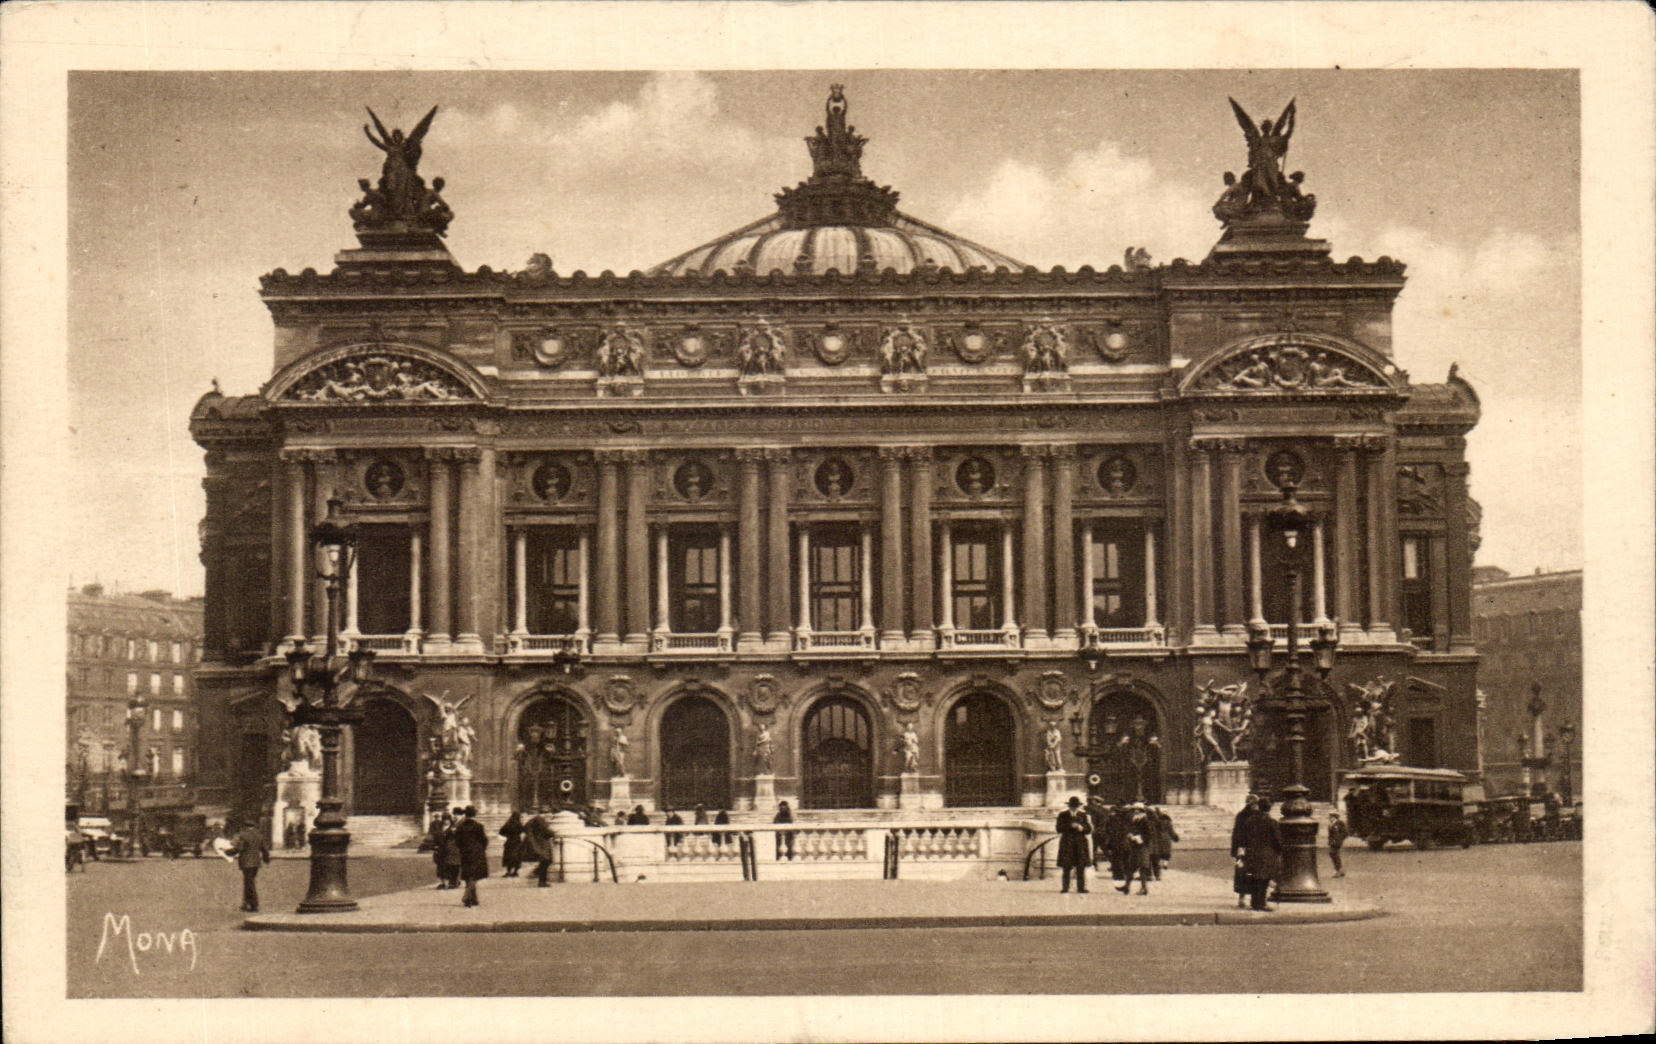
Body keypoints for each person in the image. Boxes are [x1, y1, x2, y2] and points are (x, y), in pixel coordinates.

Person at [1237, 797, 1284, 911]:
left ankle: (1254, 903)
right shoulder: (1272, 822)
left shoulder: (1250, 821)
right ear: (1269, 808)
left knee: (1254, 878)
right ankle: (1262, 903)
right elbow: (1277, 840)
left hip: (1252, 853)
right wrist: (1279, 851)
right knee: (1264, 879)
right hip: (1267, 854)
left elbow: (1243, 838)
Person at [228, 817, 271, 913]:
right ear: (253, 826)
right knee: (249, 882)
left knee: (249, 883)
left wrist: (228, 852)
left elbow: (239, 848)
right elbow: (264, 849)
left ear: (245, 826)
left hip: (246, 863)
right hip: (256, 863)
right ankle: (246, 903)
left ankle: (254, 904)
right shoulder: (259, 835)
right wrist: (266, 859)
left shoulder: (243, 835)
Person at [453, 806, 489, 908]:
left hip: (465, 853)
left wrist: (462, 848)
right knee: (474, 875)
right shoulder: (479, 826)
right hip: (477, 853)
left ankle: (474, 898)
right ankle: (467, 896)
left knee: (468, 875)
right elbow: (484, 840)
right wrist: (481, 849)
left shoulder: (460, 826)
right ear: (474, 814)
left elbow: (457, 841)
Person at [1229, 792, 1260, 909]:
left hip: (1242, 849)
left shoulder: (1241, 816)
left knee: (1242, 873)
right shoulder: (1256, 816)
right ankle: (1253, 897)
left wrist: (1234, 850)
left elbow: (1235, 834)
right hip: (1253, 849)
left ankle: (1242, 898)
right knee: (1254, 872)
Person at [1055, 796, 1092, 893]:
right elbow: (1058, 828)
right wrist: (1070, 826)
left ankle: (1081, 887)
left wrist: (1081, 827)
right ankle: (1065, 887)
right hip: (1067, 843)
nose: (1074, 808)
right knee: (1066, 866)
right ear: (1069, 806)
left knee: (1081, 866)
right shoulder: (1063, 815)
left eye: (1075, 806)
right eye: (1072, 806)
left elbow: (1088, 830)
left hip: (1080, 844)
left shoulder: (1083, 815)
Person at [1117, 803, 1154, 896]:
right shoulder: (1136, 820)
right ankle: (1127, 886)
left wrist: (1138, 838)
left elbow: (1150, 835)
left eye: (1136, 810)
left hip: (1143, 846)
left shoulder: (1146, 820)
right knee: (1131, 867)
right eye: (1134, 810)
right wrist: (1130, 835)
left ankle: (1144, 888)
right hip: (1136, 846)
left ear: (1141, 811)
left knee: (1142, 867)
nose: (1135, 811)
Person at [525, 810, 555, 887]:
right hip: (542, 843)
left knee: (544, 862)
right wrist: (553, 833)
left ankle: (541, 879)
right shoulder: (540, 820)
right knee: (546, 861)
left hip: (540, 843)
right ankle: (541, 880)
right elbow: (547, 831)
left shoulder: (536, 819)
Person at [1152, 806, 1179, 880]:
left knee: (1158, 853)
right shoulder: (1168, 821)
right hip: (1166, 838)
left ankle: (1158, 870)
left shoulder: (1156, 821)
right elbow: (1171, 831)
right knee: (1166, 853)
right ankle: (1165, 864)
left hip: (1158, 838)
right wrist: (1175, 837)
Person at [440, 808, 464, 890]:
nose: (454, 816)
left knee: (455, 865)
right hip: (451, 848)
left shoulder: (460, 823)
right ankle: (453, 881)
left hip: (456, 847)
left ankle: (454, 882)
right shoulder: (454, 823)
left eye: (455, 814)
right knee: (451, 865)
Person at [428, 812, 451, 888]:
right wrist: (434, 846)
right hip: (440, 850)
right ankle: (443, 882)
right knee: (440, 867)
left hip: (449, 850)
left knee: (448, 866)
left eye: (447, 819)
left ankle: (450, 882)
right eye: (444, 819)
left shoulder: (452, 828)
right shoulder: (439, 828)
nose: (446, 821)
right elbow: (435, 838)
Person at [498, 810, 524, 876]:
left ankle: (508, 871)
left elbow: (501, 831)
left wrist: (507, 835)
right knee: (517, 857)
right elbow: (522, 830)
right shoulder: (518, 824)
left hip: (509, 842)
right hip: (517, 842)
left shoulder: (508, 823)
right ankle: (515, 871)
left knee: (509, 857)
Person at [1327, 811, 1348, 878]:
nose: (1329, 818)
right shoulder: (1330, 824)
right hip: (1332, 842)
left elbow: (1345, 833)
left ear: (1334, 817)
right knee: (1333, 855)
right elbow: (1330, 834)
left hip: (1337, 842)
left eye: (1331, 817)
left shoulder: (1340, 823)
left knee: (1334, 854)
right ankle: (1340, 870)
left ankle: (1338, 870)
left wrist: (1339, 839)